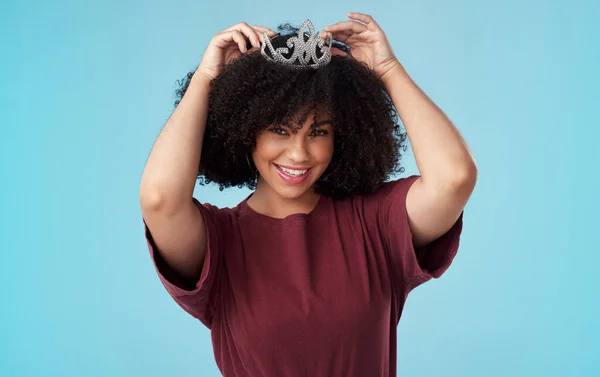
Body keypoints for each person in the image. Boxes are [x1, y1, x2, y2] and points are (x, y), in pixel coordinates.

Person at [140, 14, 477, 377]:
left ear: (341, 135)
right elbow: (160, 199)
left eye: (318, 132)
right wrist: (206, 80)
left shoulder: (375, 224)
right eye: (280, 130)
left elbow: (454, 178)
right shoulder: (220, 244)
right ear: (245, 131)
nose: (299, 154)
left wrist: (388, 69)